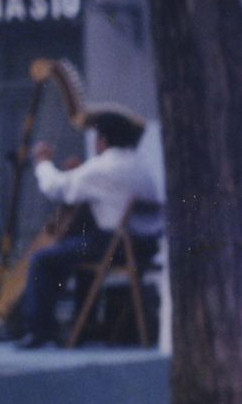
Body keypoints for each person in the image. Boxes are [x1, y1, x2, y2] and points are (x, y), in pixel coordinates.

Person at [18, 106, 162, 348]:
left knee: (43, 260)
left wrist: (43, 163)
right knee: (79, 253)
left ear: (103, 140)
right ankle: (82, 327)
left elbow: (56, 188)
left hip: (116, 245)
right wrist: (79, 173)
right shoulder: (140, 166)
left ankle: (39, 330)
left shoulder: (104, 166)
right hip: (144, 247)